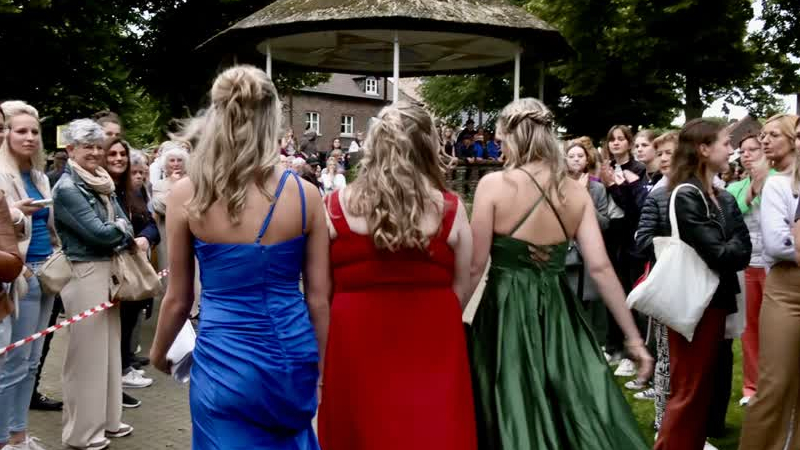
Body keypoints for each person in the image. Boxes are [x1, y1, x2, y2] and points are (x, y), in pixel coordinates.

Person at [149, 65, 330, 450]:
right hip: (292, 354)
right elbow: (318, 300)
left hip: (225, 359)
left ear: (216, 116)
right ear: (271, 118)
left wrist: (159, 352)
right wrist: (321, 370)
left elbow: (178, 298)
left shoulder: (187, 195)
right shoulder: (306, 196)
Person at [467, 98, 653, 449]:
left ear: (515, 137)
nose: (500, 146)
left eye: (501, 138)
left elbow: (475, 266)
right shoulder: (574, 192)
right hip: (558, 310)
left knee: (510, 399)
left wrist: (449, 320)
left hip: (505, 312)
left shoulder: (493, 186)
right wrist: (633, 337)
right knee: (568, 400)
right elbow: (600, 267)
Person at [318, 101, 476, 450]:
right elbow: (462, 286)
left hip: (353, 342)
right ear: (427, 146)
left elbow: (319, 295)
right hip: (433, 338)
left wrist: (321, 360)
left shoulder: (333, 207)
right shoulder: (450, 208)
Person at [653, 118, 751, 450]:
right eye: (725, 143)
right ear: (703, 149)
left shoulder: (721, 197)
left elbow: (739, 248)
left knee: (702, 388)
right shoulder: (687, 195)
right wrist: (733, 246)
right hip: (695, 302)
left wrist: (731, 246)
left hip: (715, 300)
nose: (731, 149)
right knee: (690, 388)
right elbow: (721, 253)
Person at [54, 119, 135, 450]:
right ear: (70, 149)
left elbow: (124, 223)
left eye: (99, 147)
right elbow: (100, 234)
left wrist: (117, 228)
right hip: (84, 274)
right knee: (86, 358)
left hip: (107, 272)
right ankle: (82, 434)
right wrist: (119, 230)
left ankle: (109, 420)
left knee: (108, 352)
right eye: (87, 146)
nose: (96, 153)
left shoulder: (101, 181)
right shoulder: (68, 188)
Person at [0, 101, 61, 450]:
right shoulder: (1, 174)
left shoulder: (39, 176)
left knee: (32, 362)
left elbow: (50, 226)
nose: (29, 137)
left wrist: (56, 254)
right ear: (6, 134)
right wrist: (16, 212)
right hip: (20, 276)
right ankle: (4, 439)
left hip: (46, 271)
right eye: (21, 131)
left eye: (35, 131)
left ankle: (19, 434)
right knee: (13, 362)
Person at [738, 114, 800, 450]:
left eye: (773, 134)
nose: (764, 141)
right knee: (775, 382)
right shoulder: (777, 185)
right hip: (786, 289)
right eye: (763, 135)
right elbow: (777, 244)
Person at [104, 140, 160, 409]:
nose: (118, 158)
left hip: (133, 268)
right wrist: (126, 239)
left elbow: (152, 225)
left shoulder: (133, 191)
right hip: (108, 271)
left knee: (126, 325)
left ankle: (120, 376)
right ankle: (112, 386)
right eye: (112, 153)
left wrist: (145, 239)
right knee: (110, 332)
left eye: (122, 154)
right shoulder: (99, 189)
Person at [724, 123, 770, 407]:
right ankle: (751, 387)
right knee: (749, 328)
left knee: (776, 328)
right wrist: (751, 190)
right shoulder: (735, 187)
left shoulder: (780, 180)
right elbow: (734, 212)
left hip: (776, 266)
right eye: (743, 151)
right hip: (748, 265)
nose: (747, 155)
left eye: (754, 149)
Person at [599, 125, 649, 375]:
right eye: (612, 139)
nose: (616, 143)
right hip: (611, 235)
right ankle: (613, 346)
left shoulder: (638, 170)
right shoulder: (606, 167)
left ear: (629, 143)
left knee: (630, 293)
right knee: (612, 289)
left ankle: (633, 352)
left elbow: (634, 207)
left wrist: (612, 186)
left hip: (630, 237)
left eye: (621, 139)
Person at [564, 141, 610, 343]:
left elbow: (604, 223)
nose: (576, 159)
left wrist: (585, 197)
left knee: (591, 302)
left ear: (587, 160)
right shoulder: (558, 186)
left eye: (580, 156)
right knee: (567, 300)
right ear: (565, 160)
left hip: (589, 253)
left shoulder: (597, 188)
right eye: (572, 156)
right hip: (566, 252)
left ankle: (593, 342)